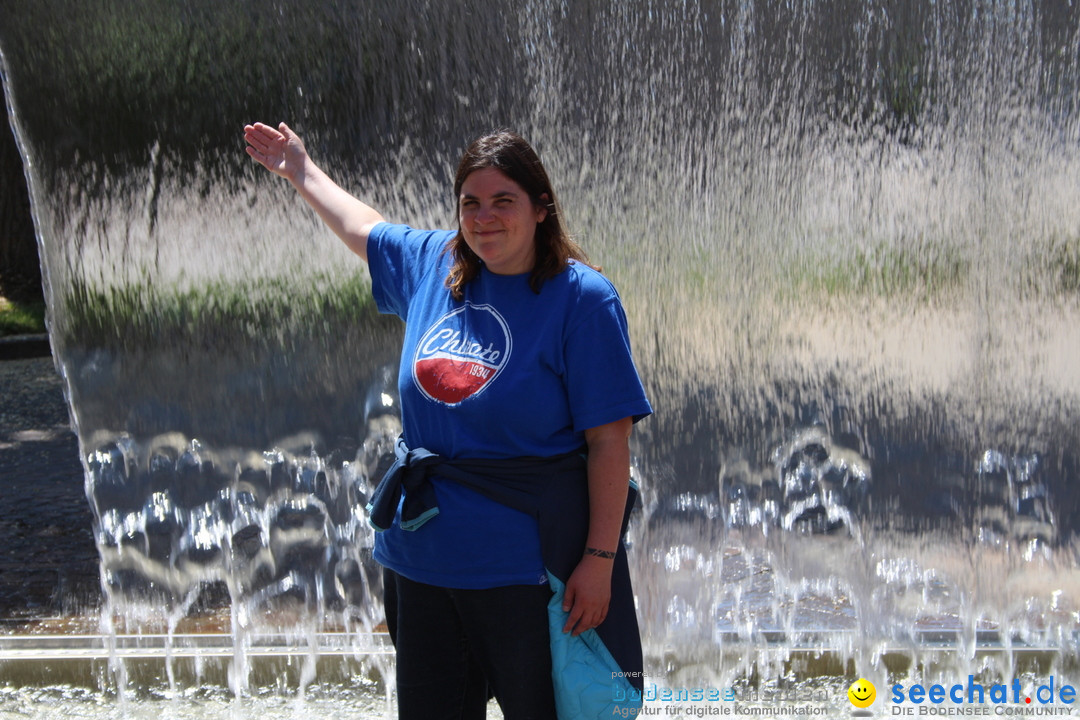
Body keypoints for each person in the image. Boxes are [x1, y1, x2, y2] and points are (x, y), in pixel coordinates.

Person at [243, 121, 652, 720]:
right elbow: (363, 227)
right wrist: (300, 170)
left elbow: (609, 444)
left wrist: (599, 561)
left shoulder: (582, 300)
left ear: (542, 208)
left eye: (503, 201)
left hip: (526, 573)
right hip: (424, 562)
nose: (484, 217)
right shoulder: (437, 264)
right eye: (471, 203)